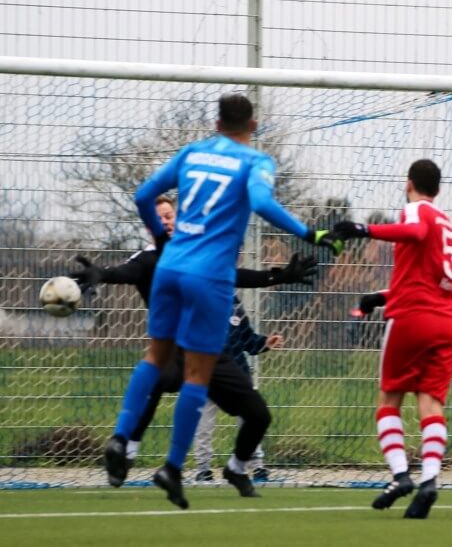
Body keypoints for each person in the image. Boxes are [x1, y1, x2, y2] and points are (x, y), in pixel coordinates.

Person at [103, 93, 341, 510]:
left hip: (171, 268)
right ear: (253, 126)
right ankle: (173, 467)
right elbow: (264, 203)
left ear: (215, 124)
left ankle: (121, 439)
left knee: (154, 358)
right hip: (209, 276)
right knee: (198, 374)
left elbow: (143, 196)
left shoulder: (192, 151)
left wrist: (160, 238)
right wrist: (310, 234)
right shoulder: (256, 162)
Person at [72, 195, 317, 498]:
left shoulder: (199, 253)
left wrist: (279, 276)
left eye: (169, 215)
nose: (166, 221)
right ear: (150, 226)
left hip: (210, 353)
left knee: (259, 416)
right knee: (155, 380)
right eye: (158, 217)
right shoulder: (147, 260)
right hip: (173, 351)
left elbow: (234, 276)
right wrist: (102, 274)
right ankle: (127, 452)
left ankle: (237, 469)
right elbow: (123, 273)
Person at [334, 159, 452, 520]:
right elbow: (426, 280)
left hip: (411, 320)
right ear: (439, 187)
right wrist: (380, 297)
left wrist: (363, 229)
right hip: (446, 322)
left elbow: (415, 232)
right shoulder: (447, 224)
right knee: (431, 401)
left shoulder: (417, 210)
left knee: (389, 400)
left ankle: (401, 475)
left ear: (409, 183)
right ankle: (430, 481)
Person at [192, 296, 283, 483]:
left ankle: (256, 466)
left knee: (251, 419)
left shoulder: (235, 308)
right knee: (204, 424)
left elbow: (248, 341)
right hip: (207, 375)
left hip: (238, 376)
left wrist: (266, 342)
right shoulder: (197, 305)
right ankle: (203, 469)